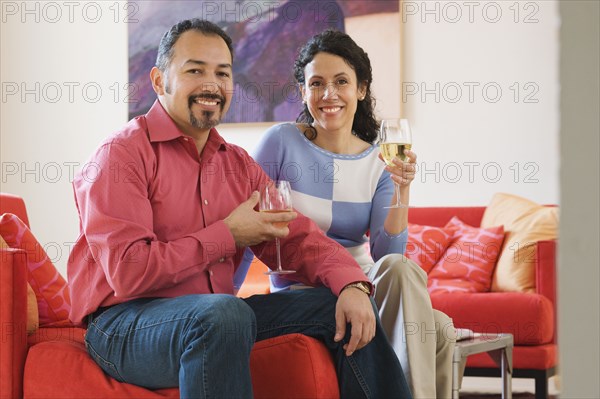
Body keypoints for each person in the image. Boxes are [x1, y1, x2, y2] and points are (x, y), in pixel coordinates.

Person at [66, 19, 412, 399]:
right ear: (160, 81)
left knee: (339, 304)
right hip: (124, 326)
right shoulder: (120, 156)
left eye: (222, 73)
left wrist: (352, 283)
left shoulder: (236, 165)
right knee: (223, 313)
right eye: (195, 70)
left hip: (214, 318)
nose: (211, 84)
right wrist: (227, 234)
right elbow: (129, 272)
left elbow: (297, 236)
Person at [236, 29, 456, 398]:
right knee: (438, 329)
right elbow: (245, 218)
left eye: (341, 81)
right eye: (316, 83)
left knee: (415, 290)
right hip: (304, 290)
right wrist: (223, 296)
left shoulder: (379, 158)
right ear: (303, 91)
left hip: (362, 283)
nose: (328, 94)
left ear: (361, 89)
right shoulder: (281, 142)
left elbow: (389, 257)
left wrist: (402, 189)